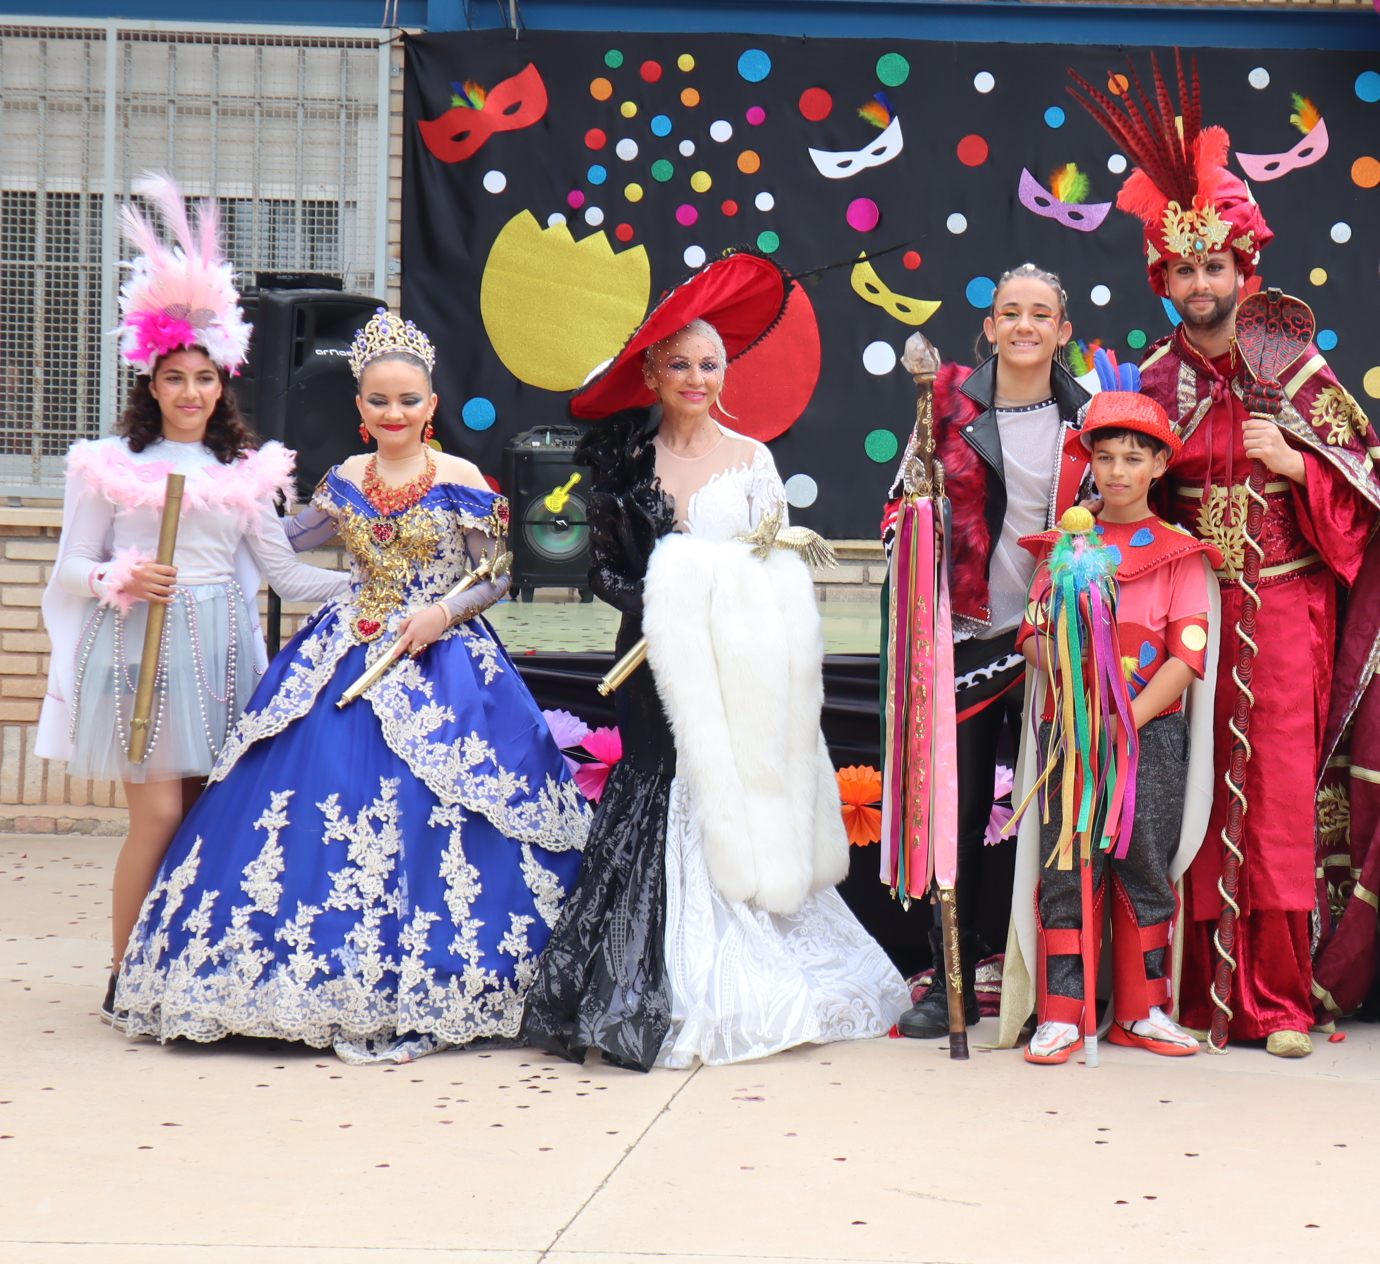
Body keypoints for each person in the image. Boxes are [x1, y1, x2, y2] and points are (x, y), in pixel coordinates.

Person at [111, 309, 589, 1064]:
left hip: (444, 657)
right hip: (347, 651)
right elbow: (286, 542)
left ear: (431, 406)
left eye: (407, 400)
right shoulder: (344, 480)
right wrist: (229, 496)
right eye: (377, 401)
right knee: (312, 801)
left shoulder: (460, 479)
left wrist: (441, 611)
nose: (393, 413)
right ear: (359, 408)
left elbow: (497, 570)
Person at [1072, 55, 1380, 1058]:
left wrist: (1297, 464)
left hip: (1289, 611)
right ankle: (1188, 995)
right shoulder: (1154, 384)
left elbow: (1374, 498)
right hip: (1188, 620)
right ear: (1161, 278)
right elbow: (1112, 504)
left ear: (1245, 271)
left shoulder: (1298, 370)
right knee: (1193, 797)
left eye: (1218, 265)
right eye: (1184, 269)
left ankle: (1277, 999)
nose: (1202, 283)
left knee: (1282, 803)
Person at [519, 255, 906, 1070]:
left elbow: (775, 569)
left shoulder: (753, 459)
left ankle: (754, 956)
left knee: (732, 787)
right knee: (661, 788)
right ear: (652, 371)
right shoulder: (622, 456)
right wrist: (669, 598)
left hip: (737, 665)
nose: (696, 377)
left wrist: (716, 597)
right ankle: (650, 982)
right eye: (681, 363)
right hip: (651, 658)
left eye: (710, 364)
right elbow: (605, 570)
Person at [40, 177, 350, 997]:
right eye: (175, 378)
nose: (191, 394)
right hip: (139, 646)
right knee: (161, 818)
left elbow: (282, 572)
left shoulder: (243, 475)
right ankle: (122, 974)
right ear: (149, 382)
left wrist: (369, 585)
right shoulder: (110, 469)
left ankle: (184, 968)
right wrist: (121, 573)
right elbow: (68, 569)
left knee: (208, 820)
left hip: (218, 651)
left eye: (204, 379)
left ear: (224, 385)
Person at [882, 263, 1089, 1040]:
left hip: (1050, 646)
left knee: (1057, 815)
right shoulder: (945, 406)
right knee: (957, 819)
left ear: (1063, 331)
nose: (1026, 325)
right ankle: (952, 984)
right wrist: (917, 515)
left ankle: (1055, 983)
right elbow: (896, 511)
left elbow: (1105, 524)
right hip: (966, 641)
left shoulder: (1088, 417)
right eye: (1012, 313)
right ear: (992, 326)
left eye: (1042, 313)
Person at [1001, 361, 1219, 1064]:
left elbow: (1187, 656)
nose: (1118, 470)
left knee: (1144, 862)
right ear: (1088, 462)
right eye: (1105, 456)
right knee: (1070, 863)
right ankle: (1062, 1012)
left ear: (1160, 465)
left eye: (1134, 457)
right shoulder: (1067, 548)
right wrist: (1076, 694)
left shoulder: (1182, 556)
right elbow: (1032, 635)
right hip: (1070, 731)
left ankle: (1142, 1010)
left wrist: (1123, 719)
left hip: (1149, 736)